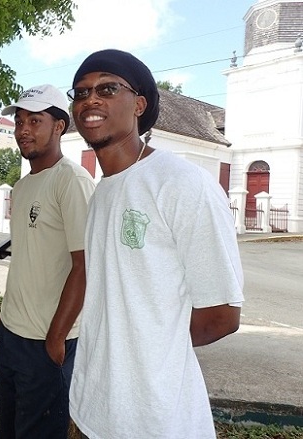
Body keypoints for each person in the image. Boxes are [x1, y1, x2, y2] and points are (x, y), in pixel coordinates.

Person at [67, 49, 245, 439]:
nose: (90, 100)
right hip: (90, 410)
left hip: (156, 421)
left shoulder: (183, 183)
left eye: (108, 88)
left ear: (139, 104)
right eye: (80, 93)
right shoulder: (102, 193)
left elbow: (222, 314)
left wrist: (152, 349)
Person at [0, 84, 96, 438]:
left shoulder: (72, 181)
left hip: (47, 343)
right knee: (8, 430)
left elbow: (86, 266)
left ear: (59, 126)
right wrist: (3, 319)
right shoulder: (22, 188)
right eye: (20, 120)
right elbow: (27, 259)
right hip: (11, 335)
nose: (23, 129)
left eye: (35, 120)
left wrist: (56, 338)